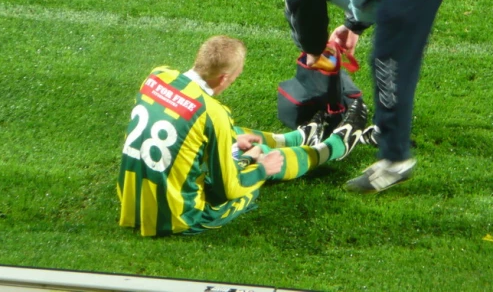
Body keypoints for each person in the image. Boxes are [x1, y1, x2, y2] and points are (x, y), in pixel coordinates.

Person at [242, 0, 461, 193]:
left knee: (390, 61)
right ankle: (389, 129)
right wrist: (353, 25)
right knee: (397, 54)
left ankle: (394, 160)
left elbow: (305, 6)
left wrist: (313, 50)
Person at [117, 35, 366, 236]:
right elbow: (229, 189)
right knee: (260, 160)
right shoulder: (213, 112)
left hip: (132, 199)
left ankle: (299, 137)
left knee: (229, 135)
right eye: (237, 74)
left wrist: (231, 142)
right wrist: (261, 169)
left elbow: (180, 124)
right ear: (224, 77)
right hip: (179, 216)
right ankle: (338, 145)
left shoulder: (158, 76)